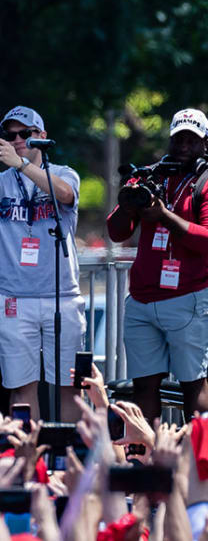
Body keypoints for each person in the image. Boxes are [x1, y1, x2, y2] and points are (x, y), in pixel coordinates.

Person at [0, 106, 83, 420]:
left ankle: (68, 458)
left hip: (61, 297)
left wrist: (22, 165)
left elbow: (66, 195)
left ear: (42, 137)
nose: (16, 140)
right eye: (10, 135)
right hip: (13, 297)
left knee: (68, 386)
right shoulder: (0, 181)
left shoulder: (63, 173)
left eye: (24, 134)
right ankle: (28, 461)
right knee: (20, 388)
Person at [108, 108, 208, 421]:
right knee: (143, 388)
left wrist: (164, 215)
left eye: (192, 140)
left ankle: (197, 463)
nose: (184, 146)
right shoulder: (151, 175)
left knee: (195, 388)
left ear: (205, 143)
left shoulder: (204, 182)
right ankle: (145, 462)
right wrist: (127, 205)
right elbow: (116, 232)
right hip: (141, 300)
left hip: (188, 298)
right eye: (179, 139)